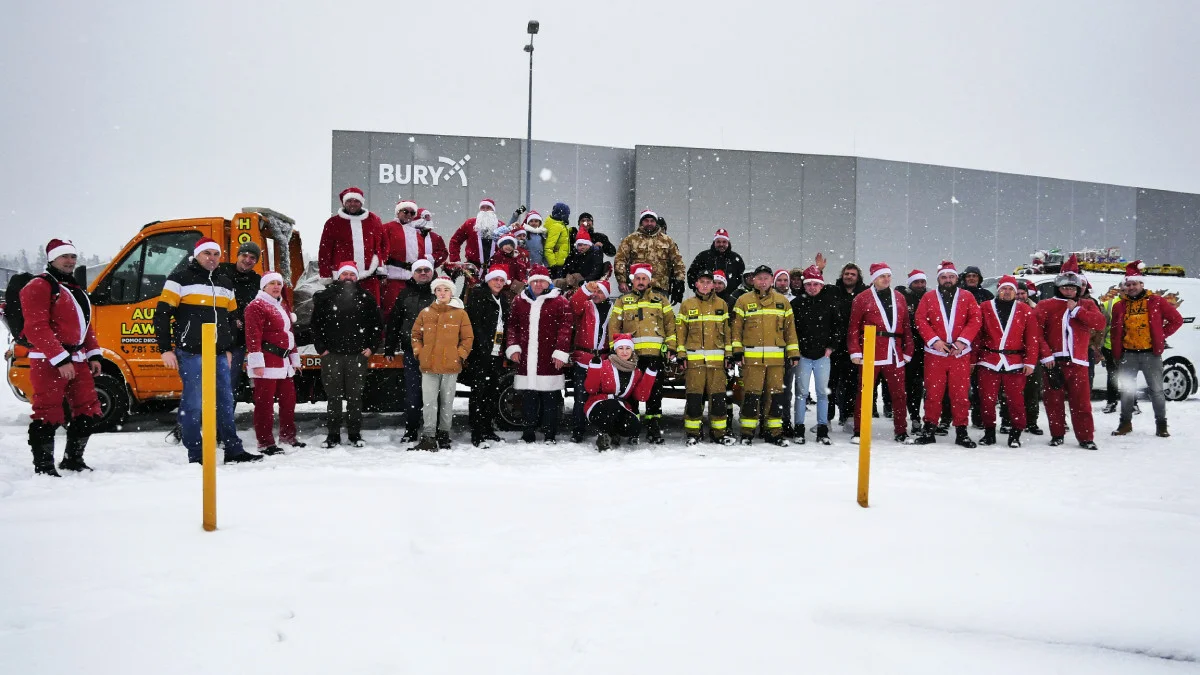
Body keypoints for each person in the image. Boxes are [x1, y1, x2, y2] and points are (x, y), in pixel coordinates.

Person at [155, 237, 262, 464]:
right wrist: (165, 349)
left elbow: (233, 318)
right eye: (207, 254)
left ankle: (233, 450)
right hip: (191, 353)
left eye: (216, 254)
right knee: (193, 404)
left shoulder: (224, 282)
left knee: (225, 402)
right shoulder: (179, 279)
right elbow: (162, 315)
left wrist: (230, 347)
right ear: (197, 255)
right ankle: (196, 454)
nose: (212, 258)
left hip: (220, 354)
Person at [19, 238, 104, 476]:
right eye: (64, 256)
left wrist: (94, 354)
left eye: (73, 256)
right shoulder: (38, 286)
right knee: (47, 412)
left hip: (77, 358)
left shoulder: (74, 288)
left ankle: (73, 459)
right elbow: (36, 328)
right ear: (51, 259)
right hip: (47, 360)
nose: (70, 261)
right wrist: (61, 359)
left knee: (89, 409)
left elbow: (85, 326)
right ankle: (44, 466)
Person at [1034, 255, 1106, 449]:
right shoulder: (1045, 305)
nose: (1068, 291)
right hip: (1054, 363)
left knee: (1082, 403)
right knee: (1053, 401)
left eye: (1072, 288)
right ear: (1058, 287)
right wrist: (1046, 354)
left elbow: (1099, 323)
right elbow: (1036, 333)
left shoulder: (1087, 305)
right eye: (1065, 287)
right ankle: (1057, 435)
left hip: (1079, 363)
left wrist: (1077, 311)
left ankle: (1086, 437)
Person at [312, 262, 382, 448]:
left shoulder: (366, 298)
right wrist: (322, 349)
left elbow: (377, 326)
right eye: (345, 274)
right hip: (332, 355)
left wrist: (371, 348)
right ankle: (333, 435)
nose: (348, 277)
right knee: (333, 397)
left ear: (357, 277)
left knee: (355, 397)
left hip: (357, 356)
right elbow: (315, 325)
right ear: (339, 276)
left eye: (352, 274)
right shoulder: (326, 297)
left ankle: (354, 434)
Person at [1110, 260, 1184, 438]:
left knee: (1156, 391)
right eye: (1128, 284)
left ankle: (1161, 424)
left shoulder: (1156, 301)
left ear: (1142, 284)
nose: (1131, 287)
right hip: (1128, 354)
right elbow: (1114, 331)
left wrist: (1160, 335)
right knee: (1127, 391)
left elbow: (1177, 320)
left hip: (1151, 354)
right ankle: (1125, 423)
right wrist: (1116, 353)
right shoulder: (1119, 306)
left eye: (1134, 283)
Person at [913, 261, 982, 447]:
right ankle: (929, 428)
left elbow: (975, 319)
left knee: (960, 394)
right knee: (933, 393)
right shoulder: (929, 297)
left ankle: (961, 430)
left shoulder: (967, 297)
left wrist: (963, 341)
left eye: (951, 277)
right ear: (938, 279)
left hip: (960, 354)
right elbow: (920, 320)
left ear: (956, 278)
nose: (948, 280)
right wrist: (934, 340)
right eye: (944, 277)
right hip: (935, 354)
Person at [607, 263, 678, 443]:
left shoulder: (660, 300)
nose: (640, 282)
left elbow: (671, 325)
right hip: (631, 359)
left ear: (649, 280)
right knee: (632, 393)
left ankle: (653, 427)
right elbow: (614, 325)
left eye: (644, 278)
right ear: (633, 280)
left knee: (654, 393)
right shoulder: (623, 301)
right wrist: (613, 348)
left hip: (655, 356)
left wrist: (671, 347)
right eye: (637, 278)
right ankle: (633, 427)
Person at [732, 265, 800, 446]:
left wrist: (793, 353)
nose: (763, 282)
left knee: (776, 396)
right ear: (753, 280)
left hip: (776, 361)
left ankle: (774, 432)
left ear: (772, 280)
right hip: (751, 360)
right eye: (759, 278)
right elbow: (736, 329)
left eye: (766, 278)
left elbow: (790, 330)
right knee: (751, 396)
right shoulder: (743, 301)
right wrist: (737, 352)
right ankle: (747, 433)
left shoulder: (782, 302)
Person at [847, 262, 913, 443]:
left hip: (894, 352)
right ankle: (859, 430)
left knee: (899, 394)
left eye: (888, 276)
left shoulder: (899, 297)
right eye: (882, 276)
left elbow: (906, 326)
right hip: (871, 350)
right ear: (874, 279)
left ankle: (901, 431)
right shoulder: (862, 298)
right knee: (864, 393)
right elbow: (853, 327)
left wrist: (908, 349)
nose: (886, 279)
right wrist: (855, 351)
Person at [506, 265, 573, 443]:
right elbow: (512, 326)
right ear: (529, 282)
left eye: (541, 280)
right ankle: (528, 431)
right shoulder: (519, 301)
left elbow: (565, 329)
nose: (537, 284)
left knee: (550, 398)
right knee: (529, 398)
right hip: (526, 357)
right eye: (534, 280)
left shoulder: (560, 302)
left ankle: (550, 433)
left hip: (549, 357)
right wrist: (513, 347)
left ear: (547, 283)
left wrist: (560, 352)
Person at [973, 275, 1040, 448]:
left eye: (1011, 289)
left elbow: (1032, 338)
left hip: (1015, 361)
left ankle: (1016, 433)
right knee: (986, 399)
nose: (1007, 292)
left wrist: (1030, 362)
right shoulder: (985, 307)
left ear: (1015, 291)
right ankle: (989, 432)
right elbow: (977, 336)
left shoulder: (1025, 310)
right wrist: (973, 359)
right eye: (1004, 289)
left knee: (1016, 400)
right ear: (999, 290)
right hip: (989, 360)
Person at [410, 275, 474, 451]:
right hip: (429, 365)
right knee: (429, 401)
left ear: (451, 292)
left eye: (446, 290)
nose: (442, 293)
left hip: (450, 365)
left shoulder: (460, 314)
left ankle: (444, 434)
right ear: (434, 292)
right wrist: (420, 352)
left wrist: (459, 355)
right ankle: (429, 435)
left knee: (447, 401)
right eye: (438, 289)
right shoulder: (426, 313)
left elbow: (467, 338)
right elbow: (415, 335)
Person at [244, 271, 304, 455]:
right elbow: (253, 336)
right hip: (266, 363)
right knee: (264, 405)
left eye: (279, 283)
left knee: (289, 401)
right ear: (264, 287)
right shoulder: (256, 306)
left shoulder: (282, 306)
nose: (277, 286)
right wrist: (256, 362)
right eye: (272, 283)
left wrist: (294, 358)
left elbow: (289, 334)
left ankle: (288, 436)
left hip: (284, 363)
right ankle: (265, 442)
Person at [678, 268, 732, 446]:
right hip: (694, 363)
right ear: (696, 284)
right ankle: (693, 433)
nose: (705, 285)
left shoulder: (722, 305)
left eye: (709, 282)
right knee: (694, 399)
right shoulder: (687, 305)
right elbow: (681, 333)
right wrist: (680, 355)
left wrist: (729, 355)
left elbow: (728, 333)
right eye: (702, 282)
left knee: (718, 399)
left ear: (713, 285)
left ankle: (719, 434)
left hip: (717, 364)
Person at [384, 258, 436, 442]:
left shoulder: (440, 293)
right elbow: (395, 322)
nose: (423, 273)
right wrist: (389, 347)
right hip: (412, 352)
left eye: (426, 270)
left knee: (433, 394)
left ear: (432, 272)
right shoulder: (404, 295)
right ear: (413, 274)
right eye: (419, 270)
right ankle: (411, 430)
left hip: (436, 353)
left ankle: (433, 431)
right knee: (413, 394)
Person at [464, 265, 513, 448]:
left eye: (501, 280)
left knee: (492, 393)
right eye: (495, 279)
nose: (499, 283)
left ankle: (487, 428)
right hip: (481, 353)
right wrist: (482, 345)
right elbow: (474, 323)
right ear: (488, 280)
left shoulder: (504, 299)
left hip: (496, 353)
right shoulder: (479, 296)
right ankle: (477, 431)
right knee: (479, 393)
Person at [790, 265, 839, 445]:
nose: (812, 287)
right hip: (802, 355)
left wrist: (831, 347)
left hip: (822, 356)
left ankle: (822, 429)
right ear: (804, 285)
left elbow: (837, 328)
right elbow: (790, 329)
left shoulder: (829, 303)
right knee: (801, 393)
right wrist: (795, 351)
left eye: (815, 284)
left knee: (822, 393)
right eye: (809, 284)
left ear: (821, 285)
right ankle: (799, 428)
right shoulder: (795, 304)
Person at [583, 334, 657, 451]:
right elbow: (591, 389)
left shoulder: (636, 371)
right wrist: (594, 368)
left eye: (627, 348)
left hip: (619, 406)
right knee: (612, 405)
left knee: (635, 426)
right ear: (615, 349)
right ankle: (604, 436)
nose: (624, 352)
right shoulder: (605, 365)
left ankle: (614, 432)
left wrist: (650, 374)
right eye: (621, 348)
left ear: (632, 350)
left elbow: (641, 396)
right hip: (598, 405)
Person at [319, 187, 388, 303]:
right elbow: (324, 251)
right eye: (349, 201)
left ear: (361, 202)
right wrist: (326, 275)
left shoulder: (374, 220)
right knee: (343, 311)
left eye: (356, 201)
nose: (353, 204)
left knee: (371, 311)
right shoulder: (333, 223)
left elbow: (383, 245)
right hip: (343, 279)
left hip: (369, 276)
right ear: (344, 202)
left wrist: (380, 265)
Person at [382, 199, 447, 321]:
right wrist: (382, 272)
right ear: (398, 212)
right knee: (391, 310)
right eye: (405, 211)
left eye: (412, 213)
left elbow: (420, 257)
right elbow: (380, 251)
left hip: (411, 279)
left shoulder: (416, 234)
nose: (409, 215)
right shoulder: (388, 228)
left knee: (411, 310)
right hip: (393, 277)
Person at [567, 279, 613, 442]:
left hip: (604, 360)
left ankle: (601, 428)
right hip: (583, 359)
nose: (596, 295)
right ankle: (577, 430)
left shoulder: (613, 309)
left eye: (600, 292)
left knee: (602, 398)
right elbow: (573, 304)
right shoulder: (585, 305)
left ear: (607, 295)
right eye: (594, 291)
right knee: (580, 397)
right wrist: (585, 289)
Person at [824, 259, 867, 429]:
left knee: (851, 383)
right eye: (846, 274)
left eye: (853, 274)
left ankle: (848, 415)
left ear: (858, 277)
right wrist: (818, 270)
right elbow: (816, 288)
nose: (849, 276)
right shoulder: (833, 291)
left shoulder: (864, 293)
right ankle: (826, 417)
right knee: (830, 383)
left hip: (854, 345)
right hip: (834, 344)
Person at [217, 241, 262, 396]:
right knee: (207, 380)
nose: (247, 260)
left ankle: (225, 418)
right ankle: (207, 417)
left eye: (252, 258)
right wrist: (232, 317)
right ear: (238, 255)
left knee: (230, 381)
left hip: (237, 340)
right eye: (244, 255)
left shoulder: (257, 281)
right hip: (213, 336)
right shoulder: (220, 272)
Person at [614, 209, 686, 303]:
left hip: (660, 287)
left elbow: (678, 262)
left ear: (656, 223)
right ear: (641, 222)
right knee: (636, 316)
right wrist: (621, 281)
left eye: (652, 221)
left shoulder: (667, 240)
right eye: (646, 221)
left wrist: (679, 282)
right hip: (636, 287)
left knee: (659, 316)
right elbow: (620, 260)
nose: (649, 223)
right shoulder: (630, 240)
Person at [959, 264, 993, 428]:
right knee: (958, 386)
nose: (971, 278)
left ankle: (978, 418)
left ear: (979, 279)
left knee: (980, 385)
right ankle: (955, 417)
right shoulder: (958, 295)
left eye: (975, 276)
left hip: (983, 345)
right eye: (968, 276)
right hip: (961, 344)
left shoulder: (986, 295)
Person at [899, 269, 928, 433]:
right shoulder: (904, 298)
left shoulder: (930, 298)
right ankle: (915, 417)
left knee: (931, 387)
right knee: (913, 386)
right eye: (916, 282)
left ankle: (931, 418)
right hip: (910, 349)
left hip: (930, 348)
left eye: (922, 282)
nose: (920, 285)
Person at [448, 197, 502, 274]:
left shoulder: (500, 226)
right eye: (483, 208)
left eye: (488, 208)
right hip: (473, 269)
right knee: (471, 286)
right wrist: (456, 261)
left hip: (495, 270)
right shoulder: (470, 224)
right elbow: (455, 241)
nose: (485, 210)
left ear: (493, 210)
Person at [686, 228, 746, 293]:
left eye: (724, 242)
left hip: (730, 299)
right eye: (718, 242)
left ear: (728, 243)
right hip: (706, 298)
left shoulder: (736, 258)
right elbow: (691, 274)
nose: (721, 244)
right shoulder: (703, 256)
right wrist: (699, 290)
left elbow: (743, 279)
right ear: (714, 242)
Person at [1099, 291, 1121, 414]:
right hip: (1110, 347)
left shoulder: (1134, 304)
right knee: (1112, 376)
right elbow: (1102, 327)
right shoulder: (1109, 304)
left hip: (1129, 348)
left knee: (1129, 377)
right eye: (1124, 288)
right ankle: (1111, 402)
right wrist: (1100, 346)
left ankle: (1133, 403)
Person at [544, 202, 572, 278]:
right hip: (557, 265)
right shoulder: (557, 226)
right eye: (567, 214)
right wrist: (553, 265)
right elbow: (548, 248)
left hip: (560, 263)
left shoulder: (559, 225)